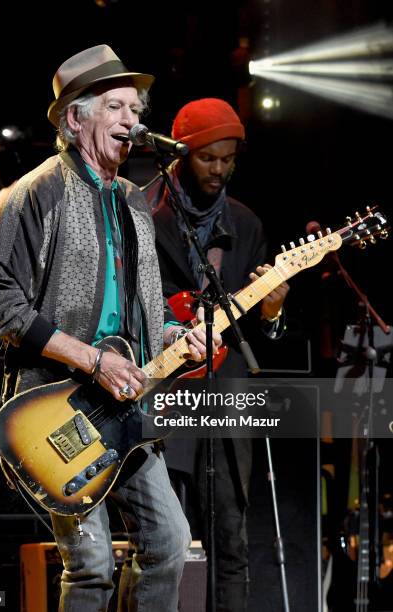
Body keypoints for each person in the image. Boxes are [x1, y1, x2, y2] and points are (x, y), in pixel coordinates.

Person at [0, 46, 221, 612]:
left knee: (170, 543)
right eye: (116, 106)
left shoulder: (135, 201)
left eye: (136, 108)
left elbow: (147, 308)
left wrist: (174, 335)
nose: (133, 121)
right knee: (90, 565)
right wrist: (92, 359)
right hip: (57, 406)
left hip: (124, 408)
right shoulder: (38, 191)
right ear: (74, 117)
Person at [144, 97, 289, 611]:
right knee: (164, 536)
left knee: (231, 530)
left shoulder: (245, 224)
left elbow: (263, 333)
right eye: (209, 158)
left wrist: (271, 313)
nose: (221, 169)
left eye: (229, 159)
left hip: (226, 394)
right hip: (159, 385)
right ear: (182, 153)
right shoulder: (140, 210)